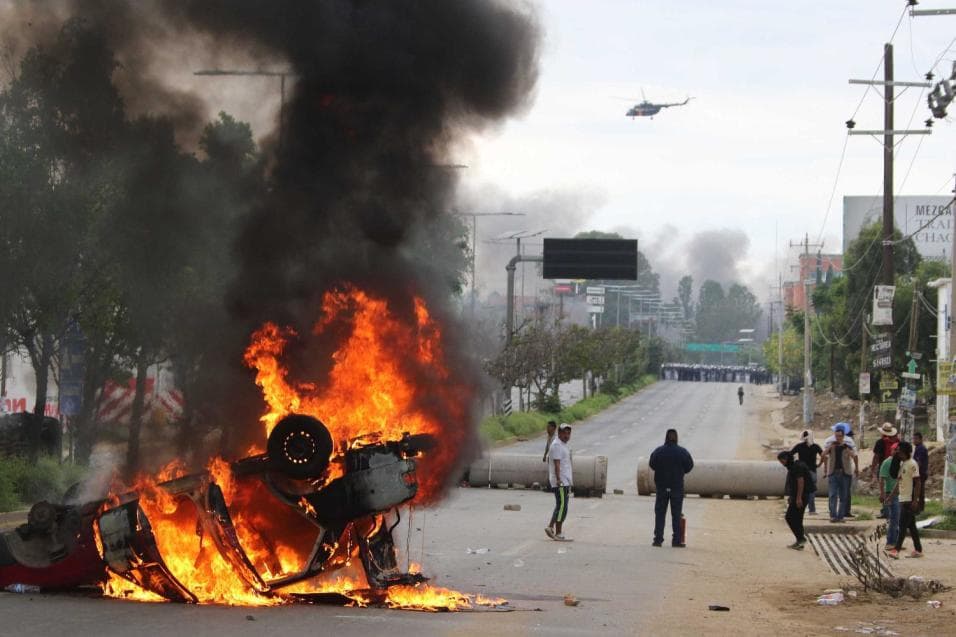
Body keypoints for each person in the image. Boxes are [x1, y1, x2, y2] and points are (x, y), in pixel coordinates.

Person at [648, 428, 694, 547]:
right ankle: (676, 540)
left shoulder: (658, 451)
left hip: (662, 487)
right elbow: (689, 466)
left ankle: (658, 539)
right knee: (676, 514)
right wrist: (680, 471)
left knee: (660, 513)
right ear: (676, 438)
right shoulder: (682, 452)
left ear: (666, 438)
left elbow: (652, 464)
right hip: (676, 487)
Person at [887, 441, 923, 559]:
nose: (899, 455)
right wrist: (891, 496)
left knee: (902, 526)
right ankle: (918, 549)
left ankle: (896, 550)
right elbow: (899, 482)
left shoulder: (912, 464)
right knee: (911, 527)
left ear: (907, 453)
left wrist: (915, 500)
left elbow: (918, 482)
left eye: (901, 453)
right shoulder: (903, 464)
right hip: (902, 498)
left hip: (909, 499)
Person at [821, 427, 857, 523]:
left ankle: (840, 516)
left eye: (840, 436)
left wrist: (856, 469)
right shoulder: (831, 445)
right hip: (833, 473)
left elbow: (854, 456)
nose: (838, 438)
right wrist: (830, 447)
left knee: (843, 495)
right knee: (832, 495)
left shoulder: (848, 446)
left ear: (843, 436)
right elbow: (823, 455)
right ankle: (833, 515)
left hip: (845, 473)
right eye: (836, 436)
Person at [778, 450, 812, 550]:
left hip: (802, 496)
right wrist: (791, 496)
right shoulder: (793, 466)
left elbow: (800, 482)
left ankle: (801, 538)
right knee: (798, 518)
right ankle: (800, 542)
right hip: (799, 496)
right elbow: (794, 484)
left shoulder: (797, 467)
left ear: (786, 459)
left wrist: (798, 498)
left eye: (782, 461)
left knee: (789, 517)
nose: (782, 463)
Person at [545, 423, 573, 541]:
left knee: (560, 505)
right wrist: (558, 480)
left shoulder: (562, 445)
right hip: (560, 481)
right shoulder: (557, 445)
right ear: (559, 433)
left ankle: (551, 527)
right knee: (562, 507)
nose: (567, 435)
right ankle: (558, 532)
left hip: (564, 480)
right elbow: (557, 464)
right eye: (564, 433)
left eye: (568, 433)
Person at [791, 431, 823, 514]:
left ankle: (799, 508)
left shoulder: (799, 446)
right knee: (811, 491)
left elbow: (790, 454)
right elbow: (824, 456)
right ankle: (812, 510)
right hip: (812, 471)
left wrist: (794, 464)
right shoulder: (816, 446)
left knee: (800, 490)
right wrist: (819, 464)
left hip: (801, 472)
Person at [879, 447, 902, 550]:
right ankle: (890, 542)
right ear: (891, 450)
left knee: (897, 519)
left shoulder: (901, 463)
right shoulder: (887, 462)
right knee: (893, 519)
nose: (897, 452)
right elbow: (882, 479)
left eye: (899, 450)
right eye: (895, 450)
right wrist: (882, 493)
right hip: (890, 493)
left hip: (900, 494)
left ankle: (895, 542)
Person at [913, 431, 929, 513]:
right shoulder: (918, 447)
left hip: (920, 473)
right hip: (920, 473)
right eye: (913, 439)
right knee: (918, 490)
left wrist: (913, 472)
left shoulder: (921, 448)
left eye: (916, 439)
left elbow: (919, 462)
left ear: (921, 439)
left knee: (919, 491)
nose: (914, 441)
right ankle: (919, 508)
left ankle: (920, 509)